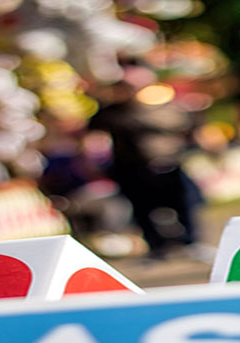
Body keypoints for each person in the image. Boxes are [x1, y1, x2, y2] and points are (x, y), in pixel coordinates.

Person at [86, 67, 205, 260]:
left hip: (169, 164)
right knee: (143, 209)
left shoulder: (166, 106)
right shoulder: (111, 113)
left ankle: (191, 243)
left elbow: (186, 126)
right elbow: (95, 137)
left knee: (184, 204)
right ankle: (157, 247)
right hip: (132, 169)